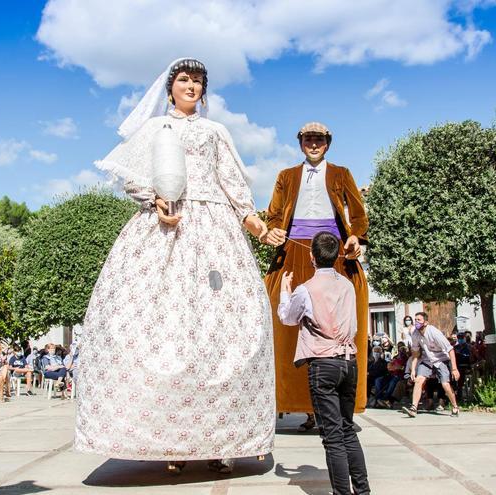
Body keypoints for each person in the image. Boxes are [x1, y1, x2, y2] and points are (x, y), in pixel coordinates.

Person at [76, 58, 275, 474]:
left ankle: (220, 441)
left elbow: (231, 181)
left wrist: (254, 223)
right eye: (184, 79)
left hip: (215, 228)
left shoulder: (215, 131)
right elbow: (133, 175)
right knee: (167, 330)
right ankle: (171, 442)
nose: (191, 86)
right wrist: (155, 199)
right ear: (170, 88)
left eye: (198, 81)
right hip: (168, 224)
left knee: (221, 332)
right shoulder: (155, 128)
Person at [262, 121, 369, 419]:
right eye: (308, 139)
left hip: (332, 250)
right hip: (294, 249)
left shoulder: (341, 173)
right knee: (283, 318)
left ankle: (337, 404)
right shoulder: (286, 176)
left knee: (338, 317)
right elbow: (274, 214)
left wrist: (355, 237)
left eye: (319, 140)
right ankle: (293, 401)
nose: (313, 144)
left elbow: (358, 214)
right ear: (300, 143)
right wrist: (273, 230)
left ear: (327, 144)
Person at [277, 231, 370, 495]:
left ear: (312, 257)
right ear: (337, 254)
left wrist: (285, 292)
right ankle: (362, 491)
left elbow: (287, 318)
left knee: (332, 437)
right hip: (349, 361)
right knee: (347, 429)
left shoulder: (306, 289)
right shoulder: (348, 286)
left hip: (323, 364)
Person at [404, 312, 460, 418]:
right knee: (419, 380)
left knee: (445, 384)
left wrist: (454, 369)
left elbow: (450, 350)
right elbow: (415, 353)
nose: (416, 322)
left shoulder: (434, 332)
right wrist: (413, 369)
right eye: (415, 320)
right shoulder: (415, 333)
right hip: (427, 359)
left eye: (419, 320)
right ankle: (414, 408)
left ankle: (455, 406)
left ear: (425, 322)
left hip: (441, 359)